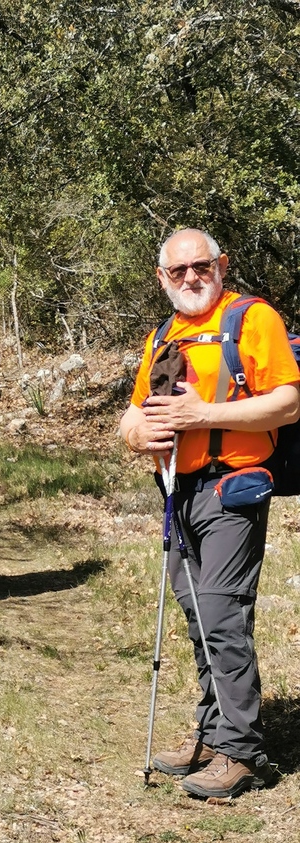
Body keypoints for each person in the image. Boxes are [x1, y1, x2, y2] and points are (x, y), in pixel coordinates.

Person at [120, 227, 300, 799]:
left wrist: (204, 415)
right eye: (179, 271)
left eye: (202, 266)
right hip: (176, 491)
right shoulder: (165, 334)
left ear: (221, 266)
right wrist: (136, 433)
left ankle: (241, 751)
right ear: (162, 279)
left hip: (233, 486)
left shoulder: (252, 319)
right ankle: (209, 731)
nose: (192, 278)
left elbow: (288, 401)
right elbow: (132, 415)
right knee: (198, 616)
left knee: (223, 614)